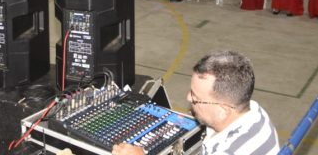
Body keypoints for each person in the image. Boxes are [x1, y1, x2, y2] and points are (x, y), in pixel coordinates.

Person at [112, 51, 278, 155]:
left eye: (196, 97)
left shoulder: (228, 151)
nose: (188, 98)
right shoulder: (254, 111)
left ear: (223, 110)